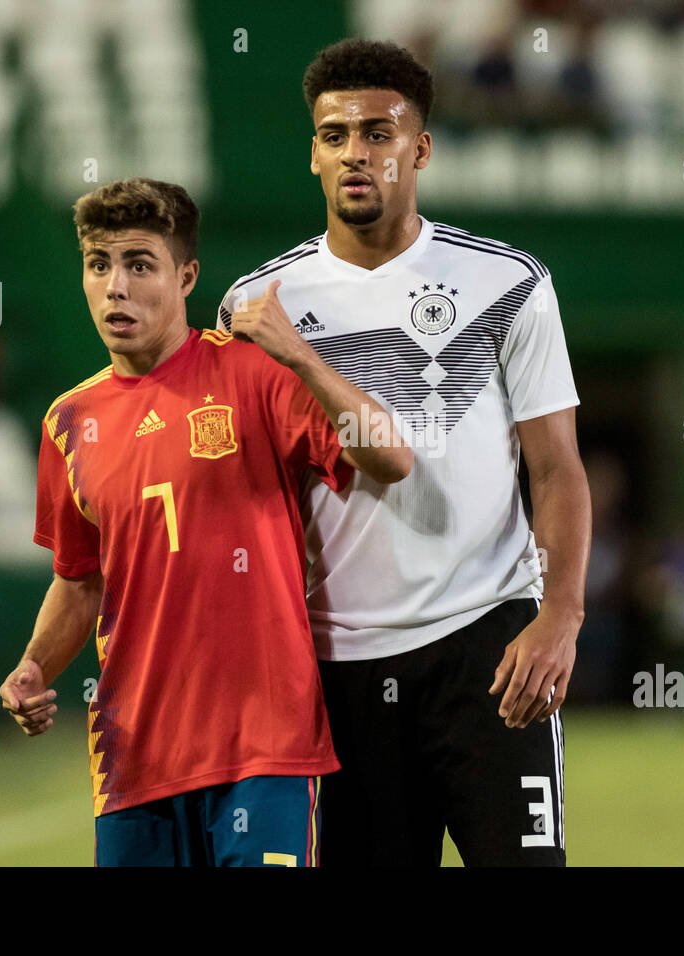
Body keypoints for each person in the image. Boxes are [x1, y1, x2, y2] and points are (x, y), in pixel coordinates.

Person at [218, 39, 591, 866]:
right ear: (313, 153)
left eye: (379, 132)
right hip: (337, 665)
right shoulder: (254, 306)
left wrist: (559, 616)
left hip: (488, 648)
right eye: (335, 134)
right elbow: (250, 494)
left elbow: (557, 465)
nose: (356, 152)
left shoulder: (510, 283)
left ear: (418, 148)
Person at [0, 177, 411, 867]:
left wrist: (302, 356)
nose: (115, 288)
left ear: (186, 275)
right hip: (134, 761)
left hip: (266, 748)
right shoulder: (69, 421)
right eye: (98, 265)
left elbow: (391, 456)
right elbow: (78, 584)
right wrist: (35, 665)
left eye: (139, 265)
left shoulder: (254, 373)